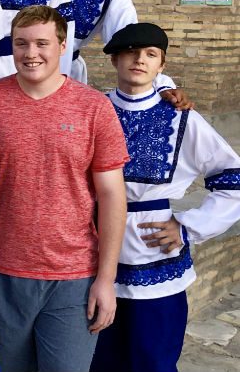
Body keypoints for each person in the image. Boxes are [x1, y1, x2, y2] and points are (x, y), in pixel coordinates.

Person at [0, 5, 128, 372]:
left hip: (72, 275)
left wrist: (106, 279)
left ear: (62, 45)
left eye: (42, 43)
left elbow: (112, 196)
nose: (30, 53)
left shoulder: (93, 108)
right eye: (21, 44)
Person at [92, 23, 240, 372]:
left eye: (150, 55)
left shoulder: (181, 118)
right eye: (130, 52)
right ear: (114, 59)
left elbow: (232, 178)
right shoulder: (92, 109)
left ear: (162, 65)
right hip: (92, 248)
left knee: (153, 359)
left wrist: (189, 227)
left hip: (153, 251)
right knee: (98, 359)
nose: (139, 60)